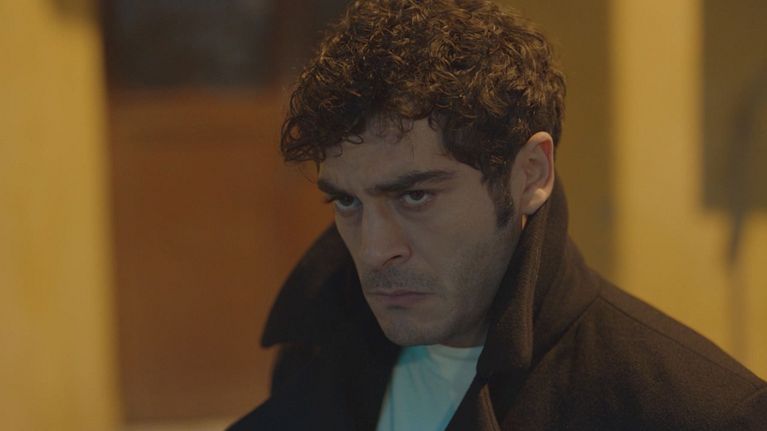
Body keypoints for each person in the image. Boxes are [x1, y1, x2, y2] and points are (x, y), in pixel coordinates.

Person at [229, 1, 767, 429]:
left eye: (415, 196)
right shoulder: (314, 354)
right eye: (347, 201)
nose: (374, 251)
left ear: (530, 174)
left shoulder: (697, 412)